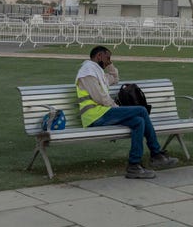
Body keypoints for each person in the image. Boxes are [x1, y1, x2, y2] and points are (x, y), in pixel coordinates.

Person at [75, 45, 178, 178]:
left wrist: (110, 64)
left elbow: (114, 77)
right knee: (141, 110)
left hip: (103, 113)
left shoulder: (97, 72)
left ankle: (134, 165)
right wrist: (117, 108)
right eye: (107, 57)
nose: (108, 61)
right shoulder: (87, 72)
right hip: (94, 116)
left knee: (138, 122)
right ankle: (156, 153)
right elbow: (100, 97)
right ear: (99, 56)